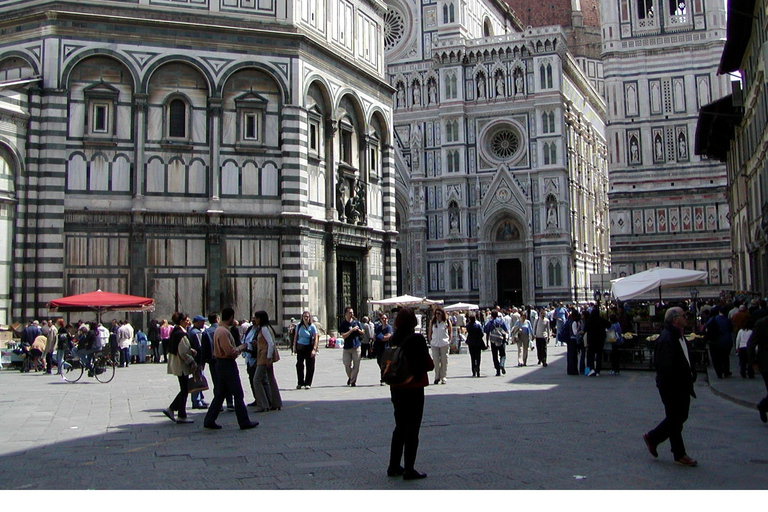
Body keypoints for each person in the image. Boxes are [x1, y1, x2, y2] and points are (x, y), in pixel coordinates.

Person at [643, 307, 698, 467]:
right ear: (675, 319)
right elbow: (666, 366)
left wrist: (691, 372)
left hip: (681, 384)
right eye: (683, 316)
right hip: (673, 386)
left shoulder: (678, 336)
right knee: (677, 418)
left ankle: (676, 452)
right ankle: (655, 438)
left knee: (677, 418)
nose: (686, 318)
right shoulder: (667, 338)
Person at [386, 307, 434, 480]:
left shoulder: (394, 337)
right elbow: (429, 365)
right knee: (412, 429)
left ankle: (393, 466)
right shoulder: (417, 339)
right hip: (414, 387)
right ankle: (409, 468)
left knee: (400, 426)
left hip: (396, 386)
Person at [202, 307, 259, 430]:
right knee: (238, 393)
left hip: (221, 364)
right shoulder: (223, 332)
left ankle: (209, 420)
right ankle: (244, 421)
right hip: (227, 364)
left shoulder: (220, 329)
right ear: (231, 317)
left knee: (220, 394)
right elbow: (230, 352)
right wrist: (241, 347)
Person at [162, 312, 197, 424]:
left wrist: (189, 350)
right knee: (184, 389)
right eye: (186, 320)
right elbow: (182, 352)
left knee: (184, 389)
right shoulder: (180, 333)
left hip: (177, 363)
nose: (188, 321)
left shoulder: (176, 332)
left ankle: (178, 411)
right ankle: (176, 411)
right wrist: (192, 362)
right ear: (181, 321)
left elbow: (182, 348)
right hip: (181, 364)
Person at [250, 310, 283, 412]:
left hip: (264, 357)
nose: (254, 319)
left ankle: (263, 404)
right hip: (265, 355)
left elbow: (270, 343)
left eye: (256, 317)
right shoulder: (265, 328)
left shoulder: (264, 329)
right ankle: (276, 403)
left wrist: (268, 357)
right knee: (271, 378)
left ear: (260, 319)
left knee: (256, 380)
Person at [748, 316, 768, 423]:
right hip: (766, 363)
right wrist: (753, 362)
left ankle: (763, 406)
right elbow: (751, 343)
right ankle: (763, 406)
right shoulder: (761, 323)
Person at [187, 315, 208, 409]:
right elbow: (200, 348)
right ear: (196, 323)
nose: (203, 324)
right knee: (197, 378)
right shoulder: (196, 333)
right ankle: (196, 400)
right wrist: (202, 360)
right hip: (198, 359)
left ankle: (200, 398)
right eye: (201, 322)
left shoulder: (191, 331)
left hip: (195, 359)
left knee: (198, 377)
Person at [293, 311, 318, 389]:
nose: (306, 318)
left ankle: (308, 383)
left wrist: (314, 349)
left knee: (310, 365)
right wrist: (294, 346)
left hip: (309, 347)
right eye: (304, 316)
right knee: (299, 365)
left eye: (307, 316)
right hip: (300, 347)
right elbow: (296, 336)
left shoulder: (312, 326)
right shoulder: (298, 326)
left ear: (309, 317)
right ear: (302, 317)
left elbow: (316, 337)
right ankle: (300, 382)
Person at [339, 307, 363, 387]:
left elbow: (363, 332)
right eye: (350, 312)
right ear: (346, 314)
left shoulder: (356, 322)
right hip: (347, 347)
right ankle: (351, 376)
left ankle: (353, 381)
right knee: (346, 364)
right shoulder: (343, 324)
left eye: (352, 312)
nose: (351, 314)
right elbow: (344, 336)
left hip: (356, 346)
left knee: (356, 364)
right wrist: (352, 330)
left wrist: (360, 331)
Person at [706, 307, 733, 378]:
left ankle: (719, 372)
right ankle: (726, 371)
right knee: (725, 357)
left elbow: (706, 326)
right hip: (727, 341)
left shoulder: (713, 319)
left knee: (716, 358)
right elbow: (731, 329)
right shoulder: (727, 320)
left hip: (715, 341)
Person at [428, 307, 451, 384]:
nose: (437, 315)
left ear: (442, 314)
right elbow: (430, 332)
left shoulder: (446, 322)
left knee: (444, 360)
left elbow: (450, 332)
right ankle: (437, 376)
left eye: (439, 313)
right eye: (436, 314)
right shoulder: (433, 322)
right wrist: (430, 341)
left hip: (444, 343)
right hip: (435, 343)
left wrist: (449, 340)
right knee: (436, 361)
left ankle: (443, 376)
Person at [585, 306, 610, 377]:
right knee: (599, 355)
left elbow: (585, 329)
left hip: (591, 339)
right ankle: (598, 370)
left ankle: (592, 369)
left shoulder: (589, 320)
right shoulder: (601, 320)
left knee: (591, 355)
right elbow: (609, 324)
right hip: (600, 339)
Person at [484, 309, 508, 376]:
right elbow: (506, 330)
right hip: (501, 340)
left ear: (491, 315)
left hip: (493, 340)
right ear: (497, 315)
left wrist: (487, 342)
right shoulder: (501, 321)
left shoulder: (490, 322)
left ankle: (498, 370)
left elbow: (487, 332)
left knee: (495, 356)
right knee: (503, 354)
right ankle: (502, 364)